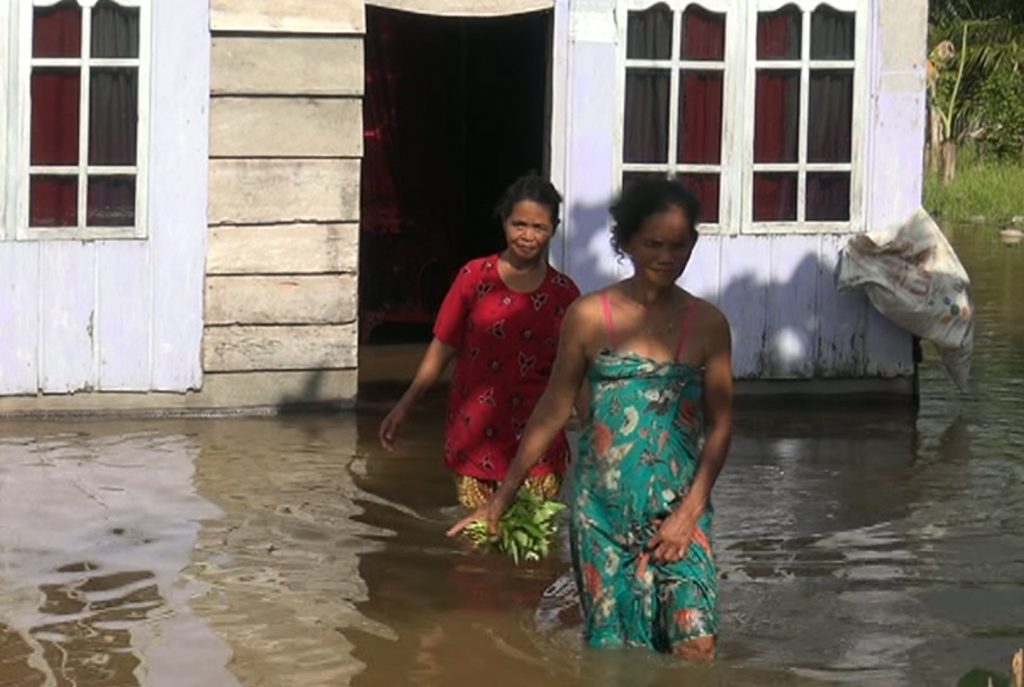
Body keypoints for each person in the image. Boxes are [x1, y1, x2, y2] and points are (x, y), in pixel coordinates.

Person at [449, 179, 734, 661]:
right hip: (601, 514)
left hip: (680, 507)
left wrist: (689, 514)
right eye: (653, 245)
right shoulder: (588, 315)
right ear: (626, 243)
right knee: (612, 651)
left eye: (678, 246)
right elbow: (554, 408)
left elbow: (722, 425)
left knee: (696, 644)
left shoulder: (708, 323)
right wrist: (502, 498)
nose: (666, 257)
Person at [379, 174, 581, 509]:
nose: (528, 236)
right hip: (475, 435)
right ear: (504, 221)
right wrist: (406, 404)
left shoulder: (565, 294)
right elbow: (443, 346)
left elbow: (578, 368)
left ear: (554, 228)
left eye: (538, 227)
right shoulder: (475, 278)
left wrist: (596, 430)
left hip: (539, 441)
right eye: (519, 225)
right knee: (477, 543)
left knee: (534, 544)